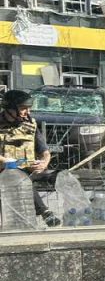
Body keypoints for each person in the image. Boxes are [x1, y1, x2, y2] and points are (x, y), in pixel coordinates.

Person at [0, 89, 60, 227]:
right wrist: (7, 162)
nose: (27, 112)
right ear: (10, 109)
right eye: (23, 108)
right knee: (20, 180)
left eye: (28, 108)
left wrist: (43, 163)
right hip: (4, 173)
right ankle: (45, 212)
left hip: (29, 171)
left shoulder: (30, 125)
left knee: (63, 175)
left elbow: (45, 151)